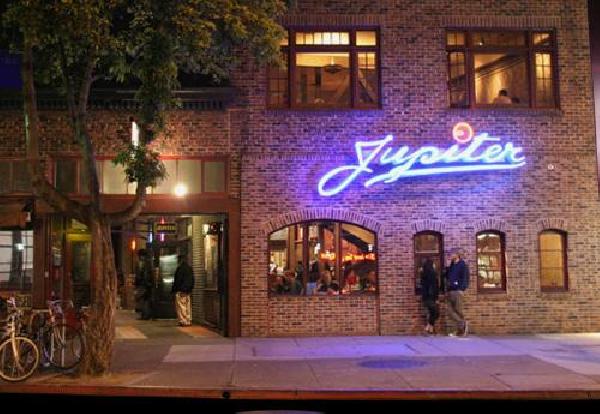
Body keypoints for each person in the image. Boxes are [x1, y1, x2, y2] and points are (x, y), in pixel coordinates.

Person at [444, 248, 470, 336]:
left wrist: (461, 289)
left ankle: (460, 330)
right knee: (449, 310)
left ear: (457, 255)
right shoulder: (451, 265)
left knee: (458, 311)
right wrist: (447, 267)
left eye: (452, 254)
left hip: (457, 291)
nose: (450, 255)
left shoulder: (462, 265)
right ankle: (463, 324)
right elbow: (446, 276)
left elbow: (465, 278)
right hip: (450, 290)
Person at [172, 253, 194, 326]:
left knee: (181, 306)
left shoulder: (180, 269)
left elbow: (178, 280)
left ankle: (183, 321)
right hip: (188, 290)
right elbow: (192, 279)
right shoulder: (189, 268)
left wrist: (175, 289)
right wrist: (190, 288)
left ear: (180, 260)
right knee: (187, 306)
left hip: (181, 290)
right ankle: (188, 320)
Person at [420, 258, 439, 335]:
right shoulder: (433, 274)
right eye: (433, 263)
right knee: (435, 313)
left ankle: (430, 329)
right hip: (431, 296)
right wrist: (436, 298)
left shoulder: (423, 274)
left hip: (425, 297)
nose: (434, 265)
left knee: (431, 313)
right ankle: (428, 327)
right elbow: (435, 287)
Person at [135, 249, 153, 320]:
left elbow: (145, 275)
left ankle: (145, 315)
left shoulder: (145, 263)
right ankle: (145, 314)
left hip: (145, 285)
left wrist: (146, 283)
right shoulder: (147, 263)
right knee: (145, 300)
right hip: (145, 284)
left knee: (144, 300)